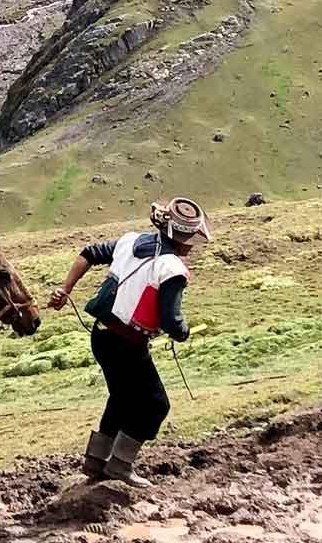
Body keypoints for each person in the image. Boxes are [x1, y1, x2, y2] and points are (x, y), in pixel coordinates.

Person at [48, 197, 210, 487]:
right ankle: (120, 466)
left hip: (101, 337)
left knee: (122, 397)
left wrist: (65, 288)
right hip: (128, 344)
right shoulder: (172, 268)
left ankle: (95, 462)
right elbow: (171, 319)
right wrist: (183, 332)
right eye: (190, 239)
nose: (191, 246)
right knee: (155, 405)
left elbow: (88, 253)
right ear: (183, 239)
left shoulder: (129, 241)